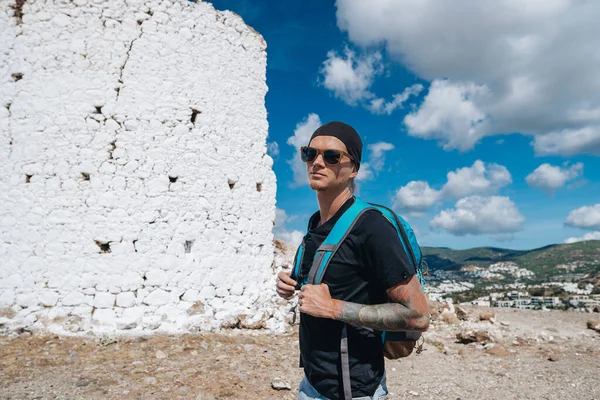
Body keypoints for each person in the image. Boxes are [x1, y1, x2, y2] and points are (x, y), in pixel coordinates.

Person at [276, 121, 430, 400]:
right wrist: (290, 286)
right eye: (310, 154)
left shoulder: (371, 227)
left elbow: (418, 316)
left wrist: (333, 308)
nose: (317, 162)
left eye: (332, 156)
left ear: (354, 169)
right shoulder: (315, 225)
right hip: (312, 384)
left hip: (355, 391)